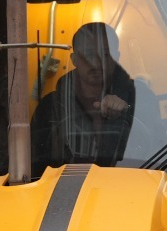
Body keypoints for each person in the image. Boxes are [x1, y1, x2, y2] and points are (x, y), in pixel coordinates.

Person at [32, 22, 148, 170]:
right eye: (88, 54)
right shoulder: (50, 107)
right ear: (74, 59)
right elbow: (34, 164)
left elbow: (157, 148)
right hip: (64, 188)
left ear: (117, 57)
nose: (96, 63)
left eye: (105, 54)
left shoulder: (141, 98)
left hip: (128, 185)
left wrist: (127, 111)